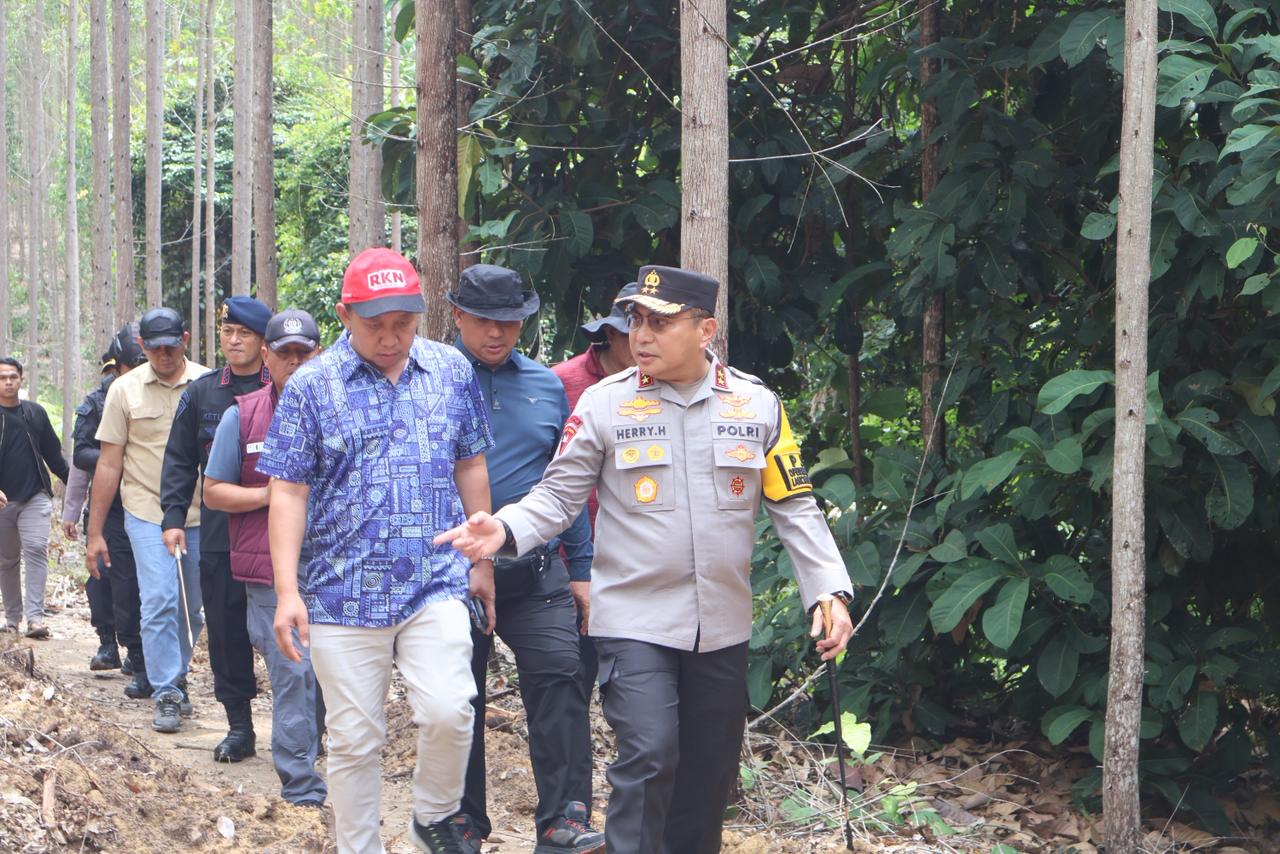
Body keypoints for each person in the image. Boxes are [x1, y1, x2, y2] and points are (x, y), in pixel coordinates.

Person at [436, 265, 856, 854]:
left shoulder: (757, 405)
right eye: (636, 321)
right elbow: (558, 496)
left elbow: (795, 505)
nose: (641, 336)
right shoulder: (606, 404)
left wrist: (828, 590)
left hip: (721, 626)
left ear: (705, 329)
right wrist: (503, 529)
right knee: (650, 752)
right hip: (635, 620)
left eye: (660, 323)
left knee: (708, 776)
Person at [259, 247, 496, 854]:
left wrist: (483, 561)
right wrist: (286, 592)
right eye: (376, 326)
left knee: (451, 709)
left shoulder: (450, 370)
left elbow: (470, 462)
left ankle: (431, 821)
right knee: (354, 740)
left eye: (403, 324)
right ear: (344, 315)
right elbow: (287, 491)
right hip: (340, 590)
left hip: (435, 578)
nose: (391, 339)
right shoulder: (311, 386)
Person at [448, 265, 603, 854]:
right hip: (452, 576)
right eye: (484, 321)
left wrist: (582, 570)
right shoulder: (428, 381)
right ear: (457, 316)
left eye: (510, 322)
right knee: (457, 695)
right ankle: (460, 821)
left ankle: (564, 820)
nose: (497, 333)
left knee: (562, 675)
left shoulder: (546, 385)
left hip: (536, 569)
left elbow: (566, 485)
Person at [203, 308, 327, 806]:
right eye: (284, 354)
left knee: (326, 673)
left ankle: (313, 754)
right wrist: (268, 496)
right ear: (267, 358)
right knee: (293, 670)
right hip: (271, 570)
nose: (294, 363)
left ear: (319, 355)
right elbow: (213, 491)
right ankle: (301, 786)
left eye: (303, 353)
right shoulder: (242, 415)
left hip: (338, 566)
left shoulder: (345, 410)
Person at [160, 296, 272, 762]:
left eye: (244, 333)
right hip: (221, 533)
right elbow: (179, 459)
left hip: (277, 535)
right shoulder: (202, 393)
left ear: (263, 341)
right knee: (225, 631)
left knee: (287, 630)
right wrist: (172, 518)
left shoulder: (286, 388)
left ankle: (308, 725)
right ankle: (240, 726)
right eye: (228, 332)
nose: (234, 340)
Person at [88, 308, 208, 735]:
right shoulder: (124, 390)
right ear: (142, 347)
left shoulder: (208, 383)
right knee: (159, 599)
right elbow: (108, 463)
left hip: (199, 513)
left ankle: (177, 673)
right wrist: (95, 532)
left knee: (192, 607)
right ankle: (168, 690)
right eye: (154, 348)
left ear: (185, 340)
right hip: (145, 511)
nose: (163, 355)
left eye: (171, 347)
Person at [552, 280, 640, 694]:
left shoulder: (666, 384)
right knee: (573, 680)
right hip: (572, 559)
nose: (643, 341)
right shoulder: (561, 383)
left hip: (639, 562)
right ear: (609, 333)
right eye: (632, 330)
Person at [65, 339, 145, 672]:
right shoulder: (96, 402)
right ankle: (108, 643)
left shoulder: (155, 394)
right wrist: (117, 457)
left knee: (137, 583)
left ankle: (139, 652)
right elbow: (81, 455)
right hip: (107, 505)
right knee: (103, 575)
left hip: (147, 501)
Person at [0, 356, 70, 638]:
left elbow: (53, 454)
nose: (8, 382)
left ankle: (36, 619)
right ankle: (12, 619)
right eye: (2, 378)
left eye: (13, 377)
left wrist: (76, 487)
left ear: (21, 379)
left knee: (37, 549)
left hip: (35, 496)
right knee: (7, 560)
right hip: (3, 502)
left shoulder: (35, 413)